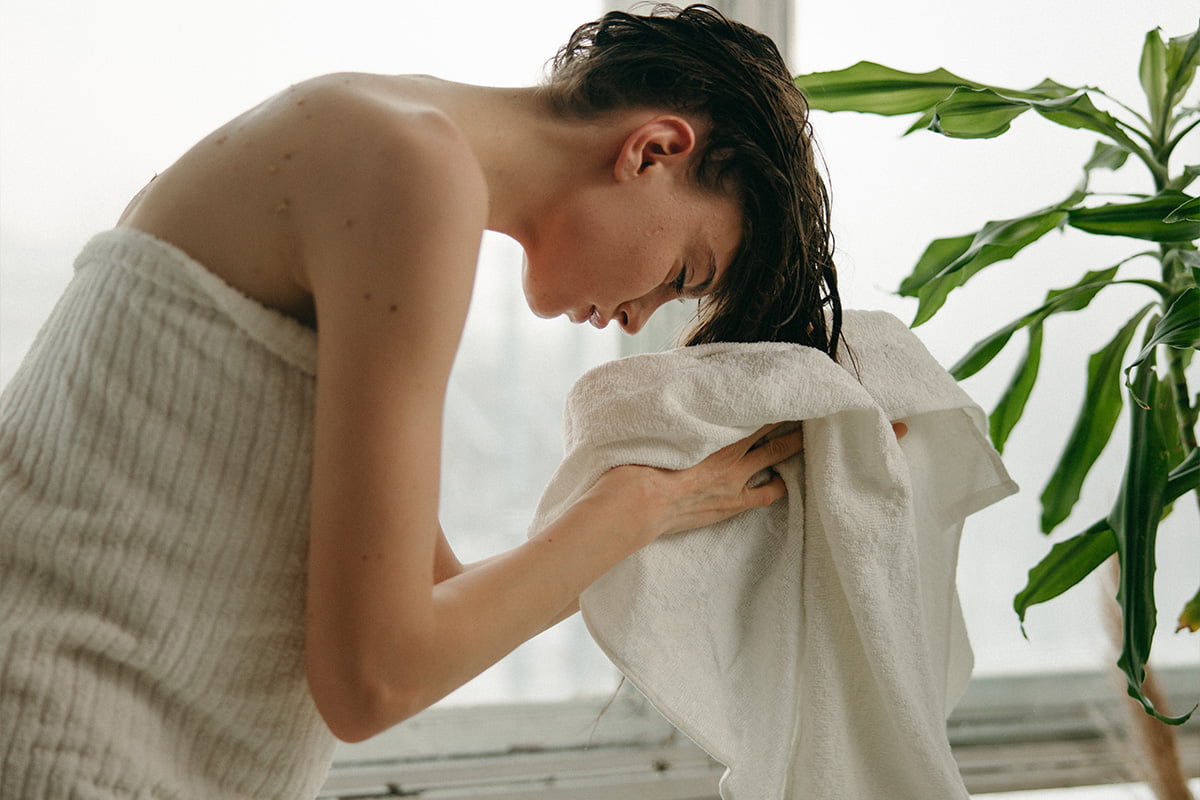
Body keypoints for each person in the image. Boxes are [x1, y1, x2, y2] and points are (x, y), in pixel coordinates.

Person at [0, 4, 857, 798]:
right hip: (67, 755)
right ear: (654, 150)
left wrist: (677, 506)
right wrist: (632, 509)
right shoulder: (408, 166)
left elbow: (433, 599)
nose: (638, 316)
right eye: (682, 276)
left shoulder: (374, 138)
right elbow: (375, 680)